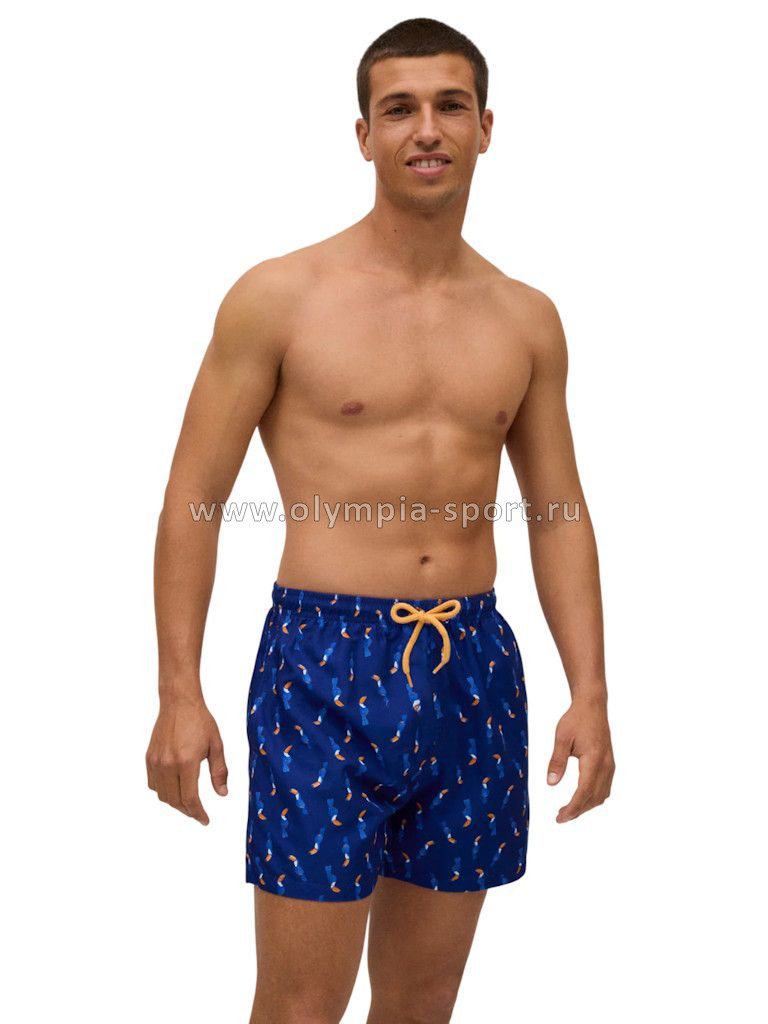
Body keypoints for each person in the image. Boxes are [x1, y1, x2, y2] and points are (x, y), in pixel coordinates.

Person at [146, 16, 615, 1024]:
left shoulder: (525, 317)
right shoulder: (279, 297)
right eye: (399, 109)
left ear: (486, 127)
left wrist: (591, 690)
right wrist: (179, 691)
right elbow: (194, 498)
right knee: (301, 1002)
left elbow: (558, 512)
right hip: (323, 665)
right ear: (363, 135)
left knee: (423, 999)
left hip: (472, 669)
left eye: (450, 105)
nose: (426, 129)